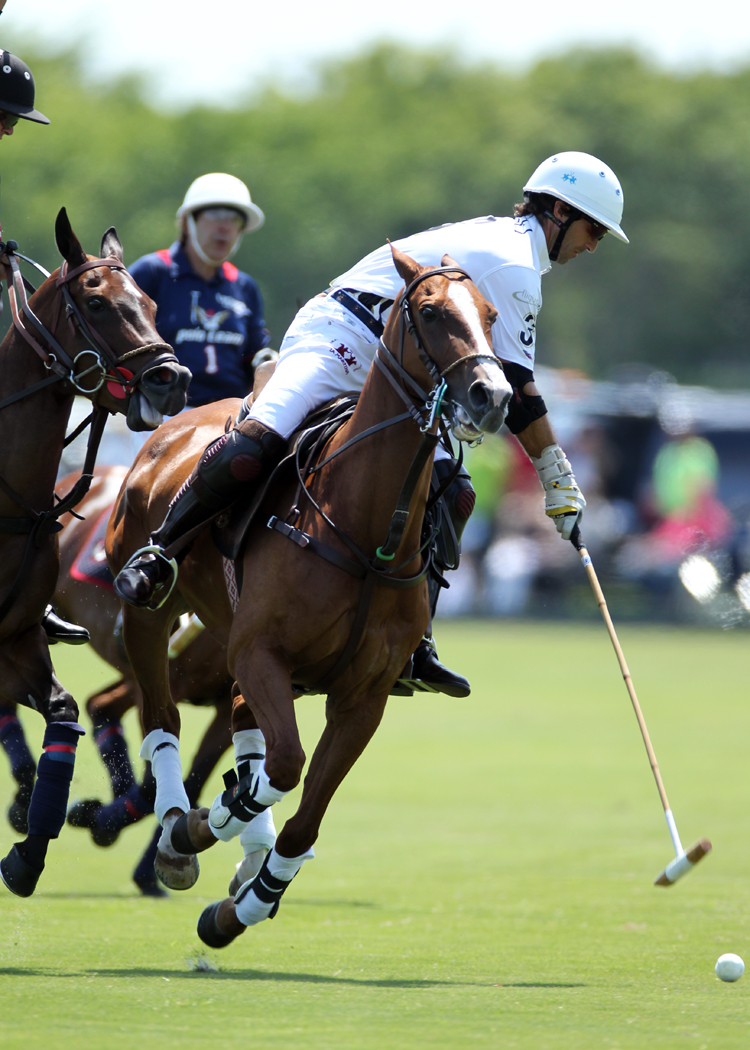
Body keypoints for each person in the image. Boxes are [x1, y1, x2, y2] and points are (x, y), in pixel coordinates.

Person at [115, 151, 629, 695]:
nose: (593, 245)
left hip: (395, 368)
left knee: (451, 490)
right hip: (337, 337)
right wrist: (558, 480)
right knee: (254, 443)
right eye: (593, 229)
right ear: (557, 212)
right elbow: (520, 390)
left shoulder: (516, 249)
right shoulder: (514, 263)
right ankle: (160, 551)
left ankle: (415, 639)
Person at [128, 173, 273, 412]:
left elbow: (253, 358)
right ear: (187, 222)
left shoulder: (244, 286)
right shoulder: (152, 273)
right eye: (215, 216)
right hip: (165, 411)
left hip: (232, 414)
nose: (225, 228)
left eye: (234, 219)